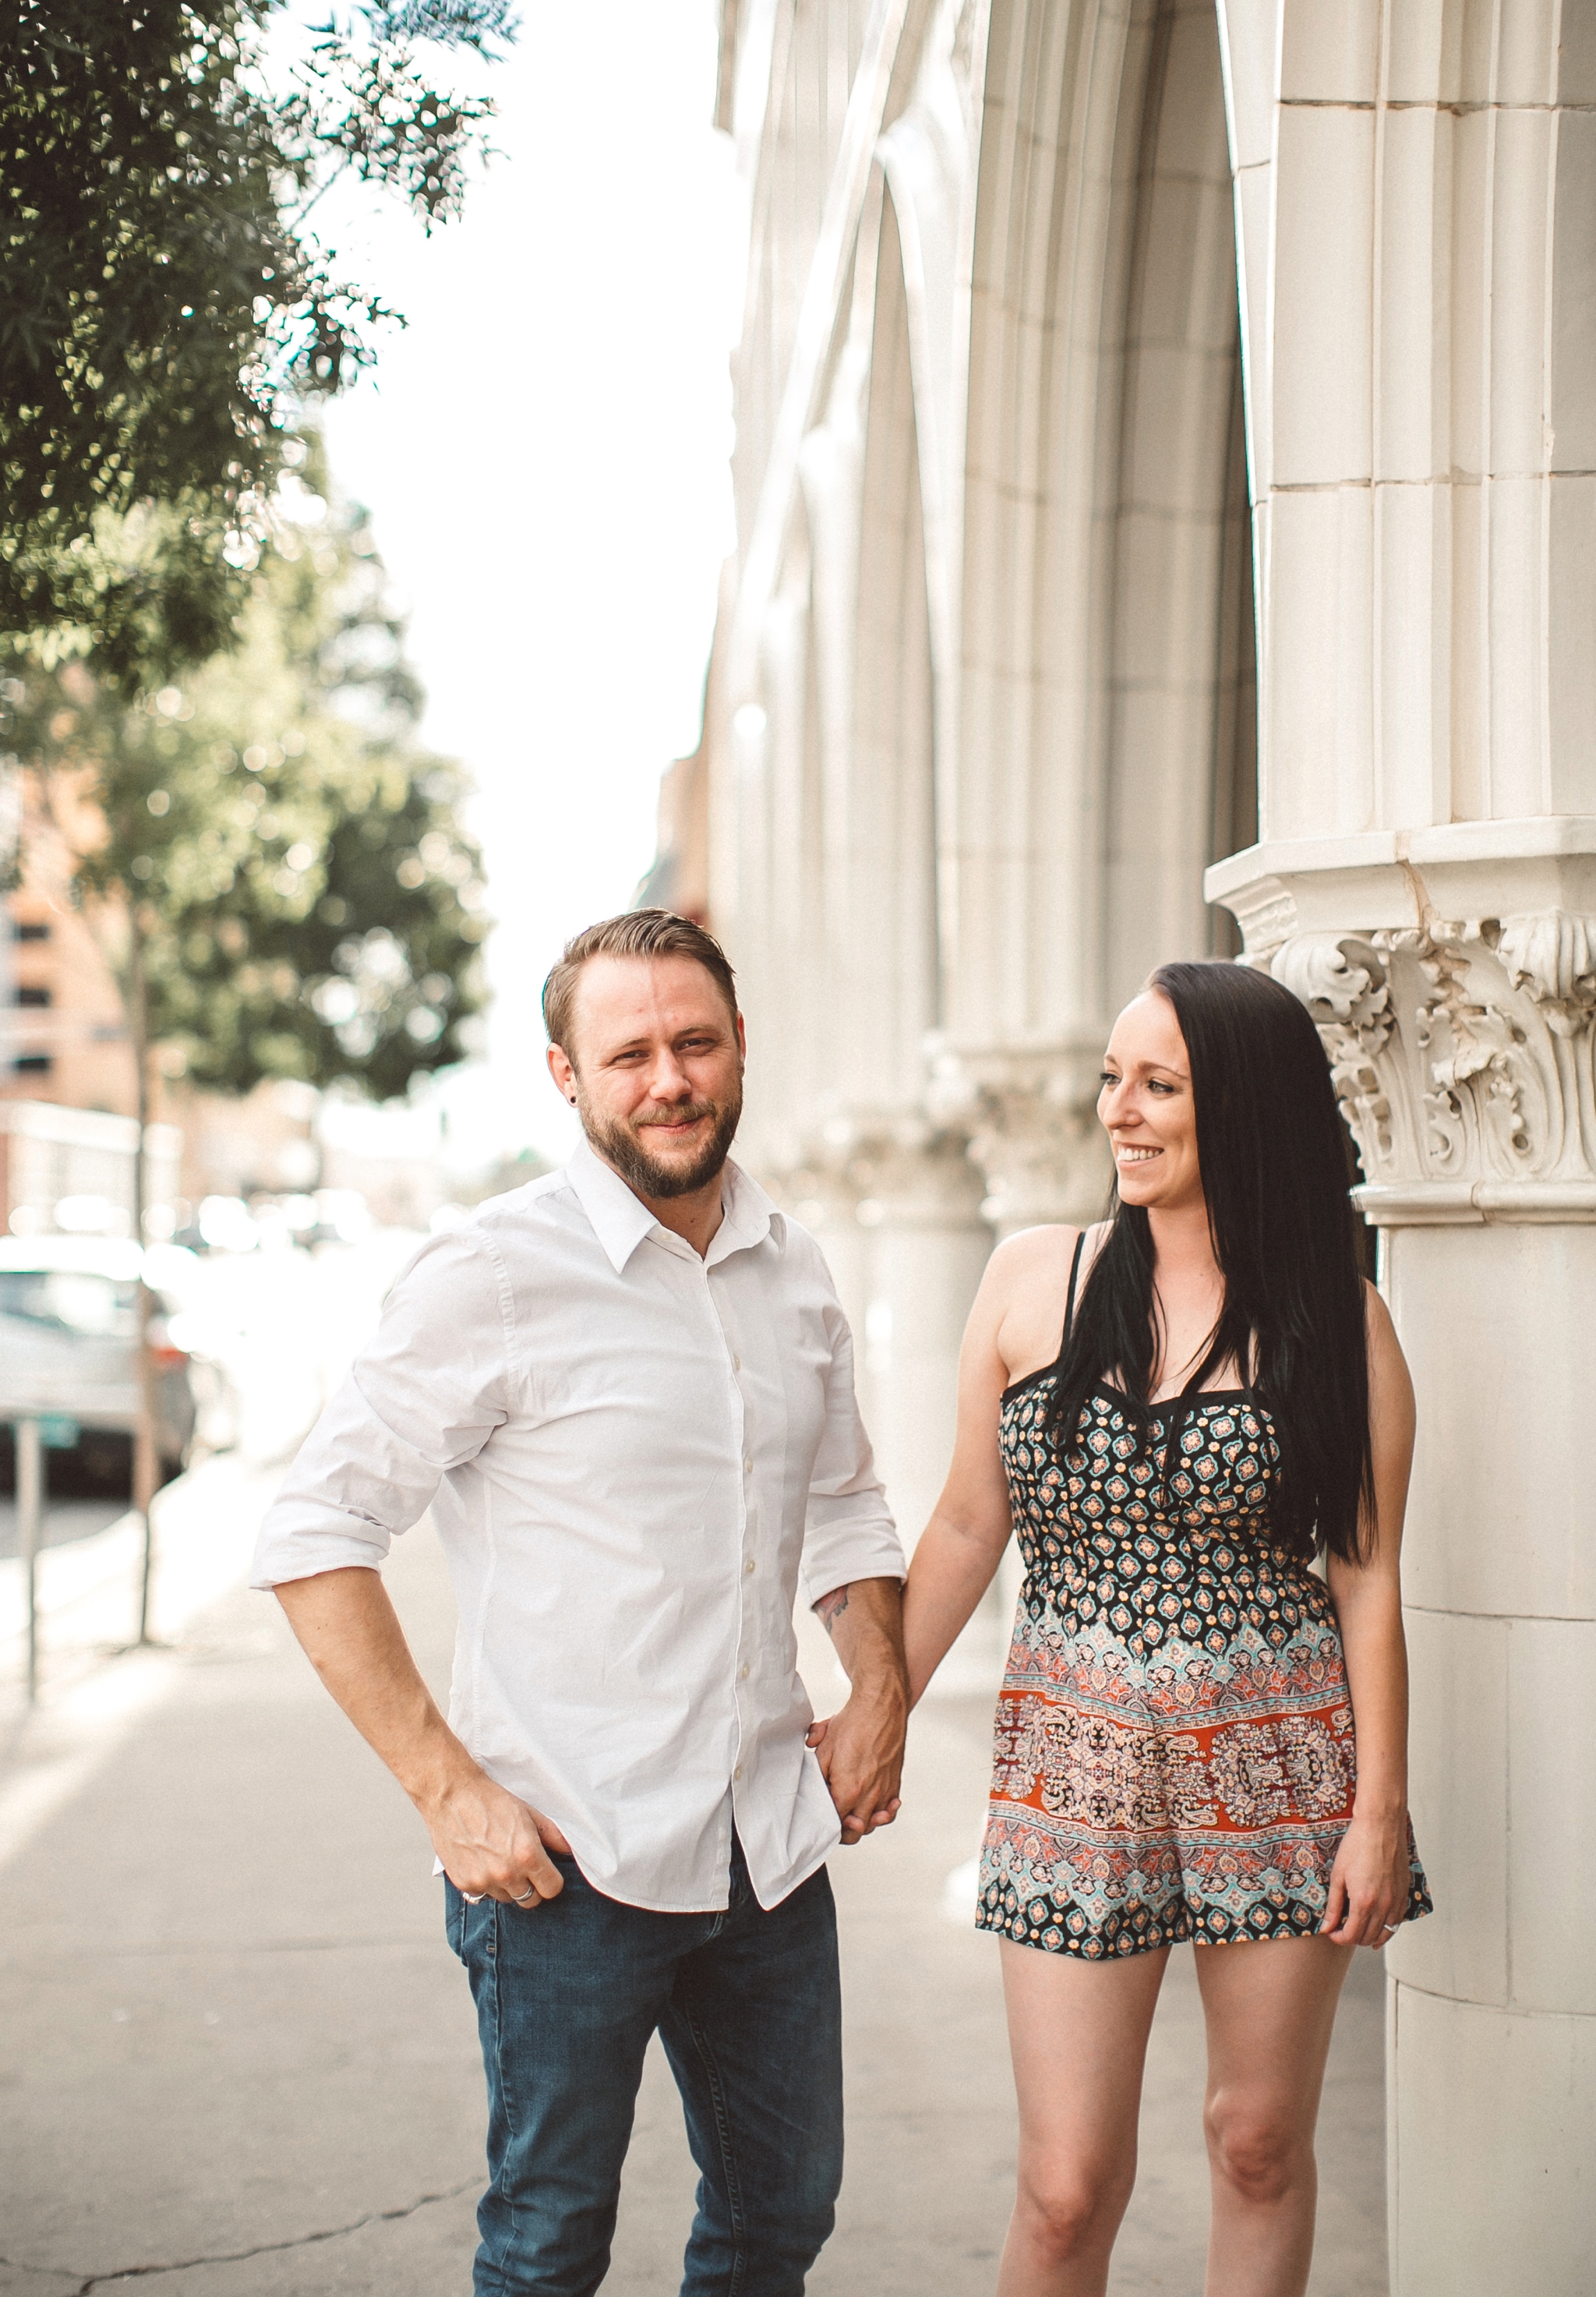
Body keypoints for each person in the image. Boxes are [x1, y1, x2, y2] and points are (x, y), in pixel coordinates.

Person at [250, 908, 909, 2297]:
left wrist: (882, 1691)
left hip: (767, 1848)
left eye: (696, 1043)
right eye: (629, 1055)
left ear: (740, 1051)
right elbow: (317, 1531)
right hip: (568, 1863)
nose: (669, 1079)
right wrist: (446, 1792)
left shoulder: (794, 1265)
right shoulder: (491, 1274)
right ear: (567, 1076)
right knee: (551, 2245)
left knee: (778, 2224)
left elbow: (846, 1507)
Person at [901, 959, 1432, 2297]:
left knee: (1256, 2142)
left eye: (1158, 1085)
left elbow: (1367, 1578)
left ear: (1239, 1107)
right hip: (1068, 1766)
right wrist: (874, 1712)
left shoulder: (1337, 1321)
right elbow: (971, 1526)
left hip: (1279, 1764)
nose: (1118, 1113)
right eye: (1109, 1080)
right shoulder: (1034, 1282)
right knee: (1067, 2185)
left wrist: (1378, 1812)